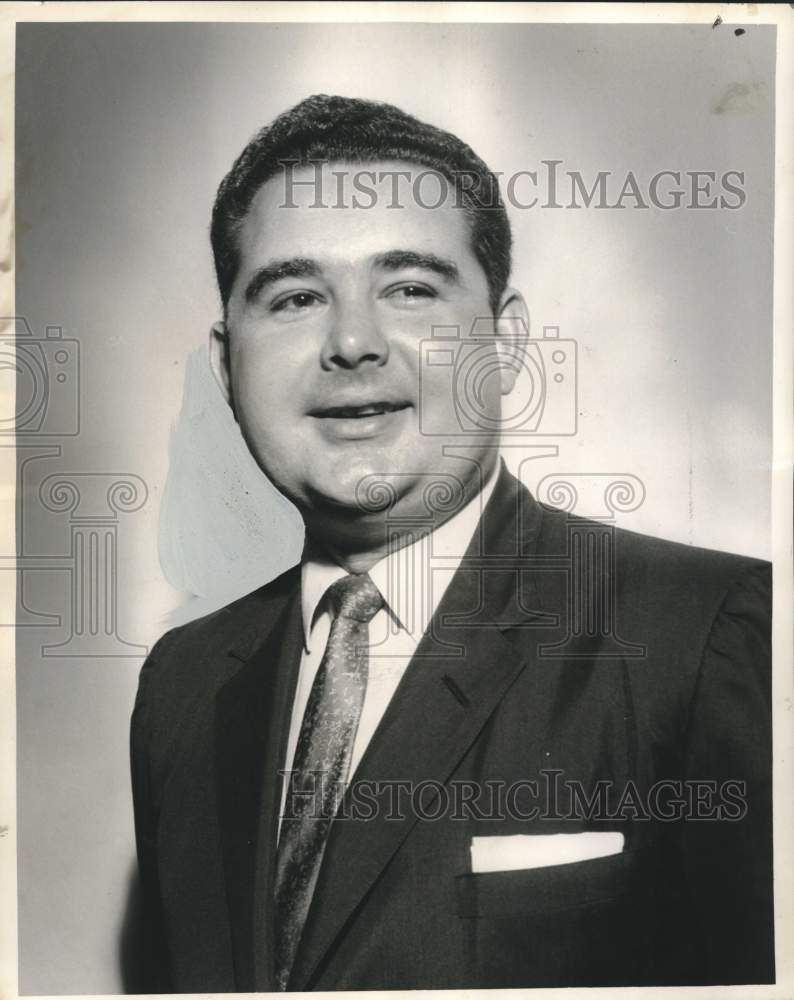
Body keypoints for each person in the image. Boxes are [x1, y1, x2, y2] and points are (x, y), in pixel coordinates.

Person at [130, 95, 773, 992]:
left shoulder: (708, 636)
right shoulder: (182, 686)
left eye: (410, 289)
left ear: (504, 342)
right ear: (225, 361)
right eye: (296, 296)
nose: (352, 342)